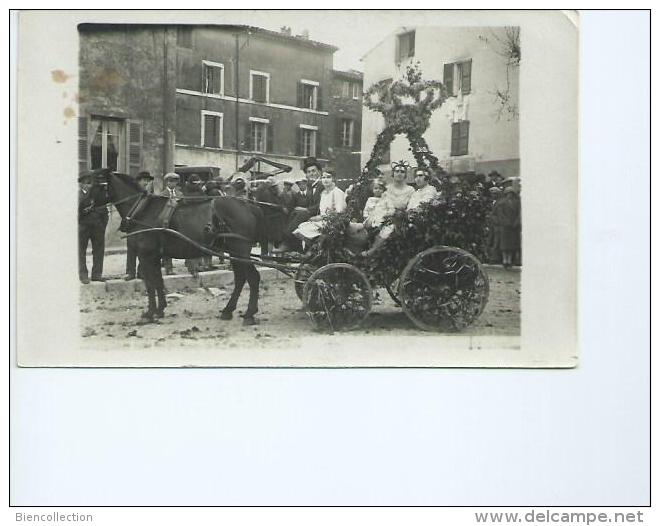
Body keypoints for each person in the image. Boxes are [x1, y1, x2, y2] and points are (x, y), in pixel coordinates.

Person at [278, 158, 325, 252]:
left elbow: (321, 203)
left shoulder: (323, 185)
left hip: (320, 213)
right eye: (308, 172)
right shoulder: (310, 187)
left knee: (300, 214)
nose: (311, 173)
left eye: (313, 171)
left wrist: (306, 210)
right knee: (293, 213)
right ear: (306, 175)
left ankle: (287, 240)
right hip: (312, 212)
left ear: (319, 172)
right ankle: (294, 246)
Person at [292, 172, 346, 242]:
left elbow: (340, 213)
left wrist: (321, 217)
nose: (325, 180)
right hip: (323, 221)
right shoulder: (323, 193)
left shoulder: (337, 192)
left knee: (304, 231)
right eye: (323, 177)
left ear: (334, 179)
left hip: (333, 223)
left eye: (328, 177)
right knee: (300, 227)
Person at [78, 170, 109, 284]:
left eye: (90, 182)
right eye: (86, 182)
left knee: (99, 250)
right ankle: (83, 275)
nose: (88, 185)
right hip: (83, 226)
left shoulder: (96, 195)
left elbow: (104, 210)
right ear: (81, 183)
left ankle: (97, 274)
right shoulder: (77, 195)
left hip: (97, 226)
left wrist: (102, 225)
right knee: (81, 251)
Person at [124, 171, 154, 280]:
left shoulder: (149, 193)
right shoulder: (133, 193)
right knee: (131, 249)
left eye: (147, 180)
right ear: (138, 181)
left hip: (144, 225)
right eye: (144, 180)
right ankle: (130, 272)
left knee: (143, 249)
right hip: (132, 224)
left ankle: (141, 272)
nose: (146, 182)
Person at [160, 172, 184, 275]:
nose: (172, 184)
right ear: (166, 182)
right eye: (170, 181)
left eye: (174, 181)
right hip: (166, 222)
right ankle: (168, 267)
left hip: (179, 222)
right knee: (167, 244)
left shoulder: (180, 194)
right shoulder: (162, 195)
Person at [497, 187, 521, 269]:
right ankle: (505, 260)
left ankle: (509, 260)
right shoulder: (502, 203)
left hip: (513, 226)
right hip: (505, 226)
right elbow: (500, 214)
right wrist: (506, 222)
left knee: (511, 244)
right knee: (504, 244)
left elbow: (519, 213)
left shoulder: (517, 203)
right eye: (508, 193)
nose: (509, 195)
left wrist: (516, 222)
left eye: (511, 193)